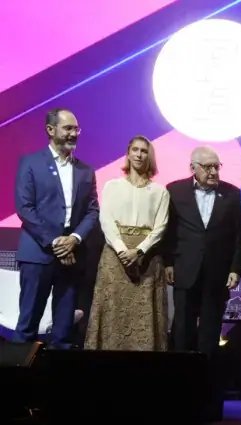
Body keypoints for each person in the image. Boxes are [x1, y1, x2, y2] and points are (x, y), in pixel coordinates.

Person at [14, 108, 99, 349]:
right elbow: (25, 207)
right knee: (28, 325)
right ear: (50, 130)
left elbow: (93, 211)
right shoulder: (31, 163)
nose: (74, 133)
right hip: (38, 255)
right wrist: (56, 242)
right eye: (68, 128)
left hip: (72, 257)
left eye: (76, 129)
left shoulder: (86, 171)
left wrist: (74, 239)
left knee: (63, 332)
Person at [84, 135, 169, 351]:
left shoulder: (160, 191)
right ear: (128, 154)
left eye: (144, 151)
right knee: (113, 310)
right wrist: (123, 250)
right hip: (115, 256)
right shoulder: (112, 186)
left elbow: (160, 227)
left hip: (146, 259)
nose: (139, 155)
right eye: (135, 150)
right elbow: (106, 220)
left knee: (144, 315)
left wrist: (139, 251)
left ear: (149, 156)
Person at [164, 146, 241, 357]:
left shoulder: (232, 194)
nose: (214, 172)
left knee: (210, 331)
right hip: (185, 269)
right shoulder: (174, 191)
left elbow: (239, 236)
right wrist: (168, 262)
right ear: (193, 168)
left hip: (217, 273)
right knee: (182, 328)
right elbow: (168, 231)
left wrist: (236, 269)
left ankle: (206, 374)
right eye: (208, 167)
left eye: (217, 167)